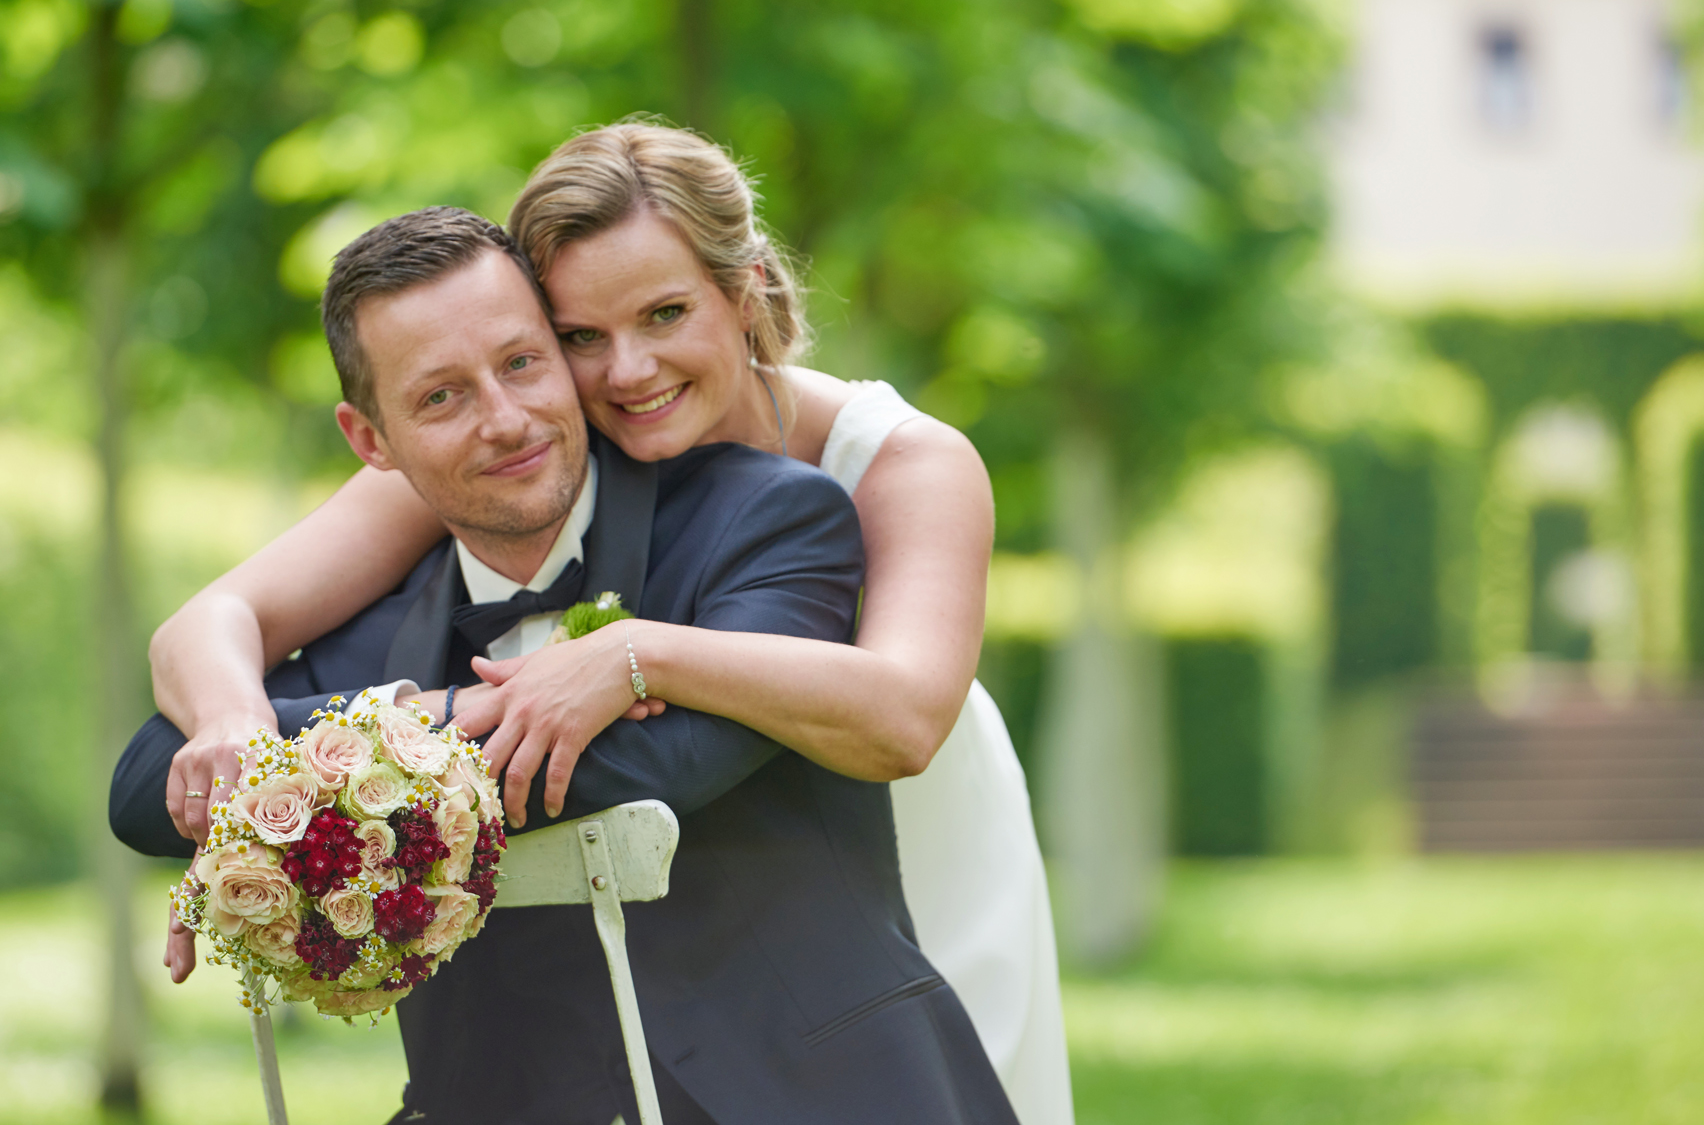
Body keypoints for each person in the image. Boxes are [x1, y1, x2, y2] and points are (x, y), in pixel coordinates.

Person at [149, 123, 1073, 1125]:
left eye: (665, 313)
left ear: (746, 290)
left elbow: (903, 719)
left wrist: (635, 653)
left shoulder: (898, 461)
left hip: (901, 804)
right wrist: (233, 725)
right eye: (582, 337)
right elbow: (214, 617)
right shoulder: (520, 442)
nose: (626, 372)